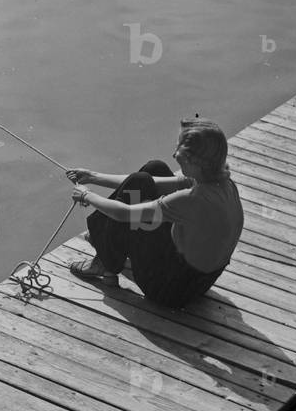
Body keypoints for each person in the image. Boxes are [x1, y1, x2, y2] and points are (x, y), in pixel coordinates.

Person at [64, 118, 244, 309]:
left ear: (196, 162)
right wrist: (92, 177)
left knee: (134, 196)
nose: (174, 155)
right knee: (153, 169)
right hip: (198, 279)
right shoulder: (220, 181)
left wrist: (86, 195)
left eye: (180, 154)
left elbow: (125, 214)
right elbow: (150, 181)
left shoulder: (193, 200)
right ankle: (104, 240)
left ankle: (104, 260)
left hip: (171, 290)